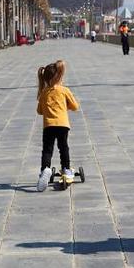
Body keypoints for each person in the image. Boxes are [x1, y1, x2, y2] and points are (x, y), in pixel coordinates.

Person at [36, 61, 80, 192]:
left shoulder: (44, 92)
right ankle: (66, 169)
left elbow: (39, 111)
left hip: (48, 125)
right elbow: (75, 106)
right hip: (63, 125)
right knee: (63, 147)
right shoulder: (64, 90)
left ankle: (45, 169)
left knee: (47, 150)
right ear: (59, 77)